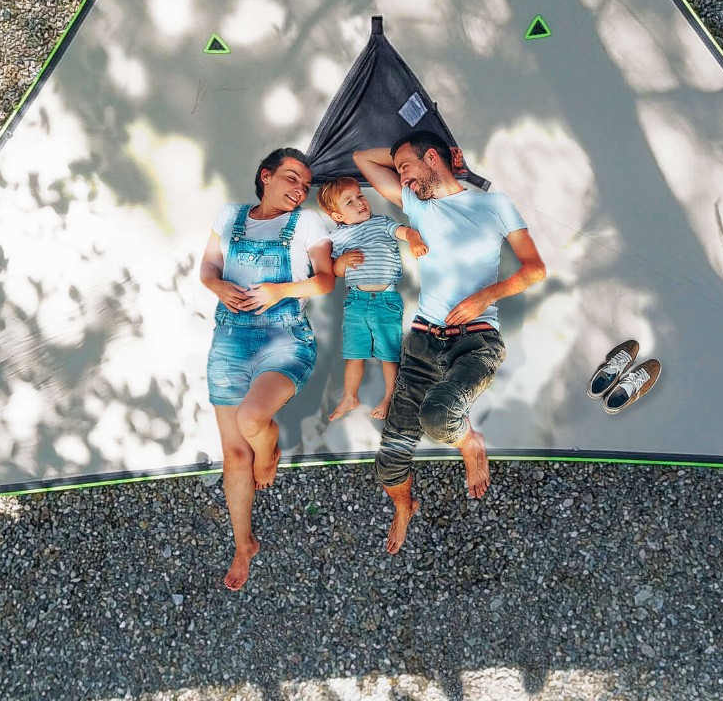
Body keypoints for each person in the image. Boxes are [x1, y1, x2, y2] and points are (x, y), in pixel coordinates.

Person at [354, 130, 546, 555]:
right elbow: (361, 159)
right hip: (423, 343)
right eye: (400, 170)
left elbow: (535, 269)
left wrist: (486, 296)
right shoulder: (417, 207)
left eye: (406, 167)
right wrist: (398, 151)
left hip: (476, 342)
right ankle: (405, 507)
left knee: (439, 417)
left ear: (433, 158)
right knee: (388, 467)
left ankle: (469, 443)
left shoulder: (492, 204)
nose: (401, 177)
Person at [200, 148, 336, 591]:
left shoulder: (309, 223)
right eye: (292, 178)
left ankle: (271, 450)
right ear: (266, 175)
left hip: (285, 337)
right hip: (229, 340)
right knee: (234, 454)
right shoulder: (229, 215)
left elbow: (325, 279)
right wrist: (218, 285)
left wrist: (281, 290)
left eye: (305, 185)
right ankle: (244, 545)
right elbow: (208, 267)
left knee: (252, 420)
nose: (300, 190)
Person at [319, 174, 414, 423]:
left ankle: (389, 397)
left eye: (360, 196)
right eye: (349, 202)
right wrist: (340, 262)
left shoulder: (381, 222)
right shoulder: (338, 238)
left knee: (388, 354)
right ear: (338, 216)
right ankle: (350, 396)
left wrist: (413, 237)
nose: (360, 202)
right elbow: (335, 272)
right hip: (356, 301)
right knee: (354, 353)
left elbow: (401, 231)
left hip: (386, 299)